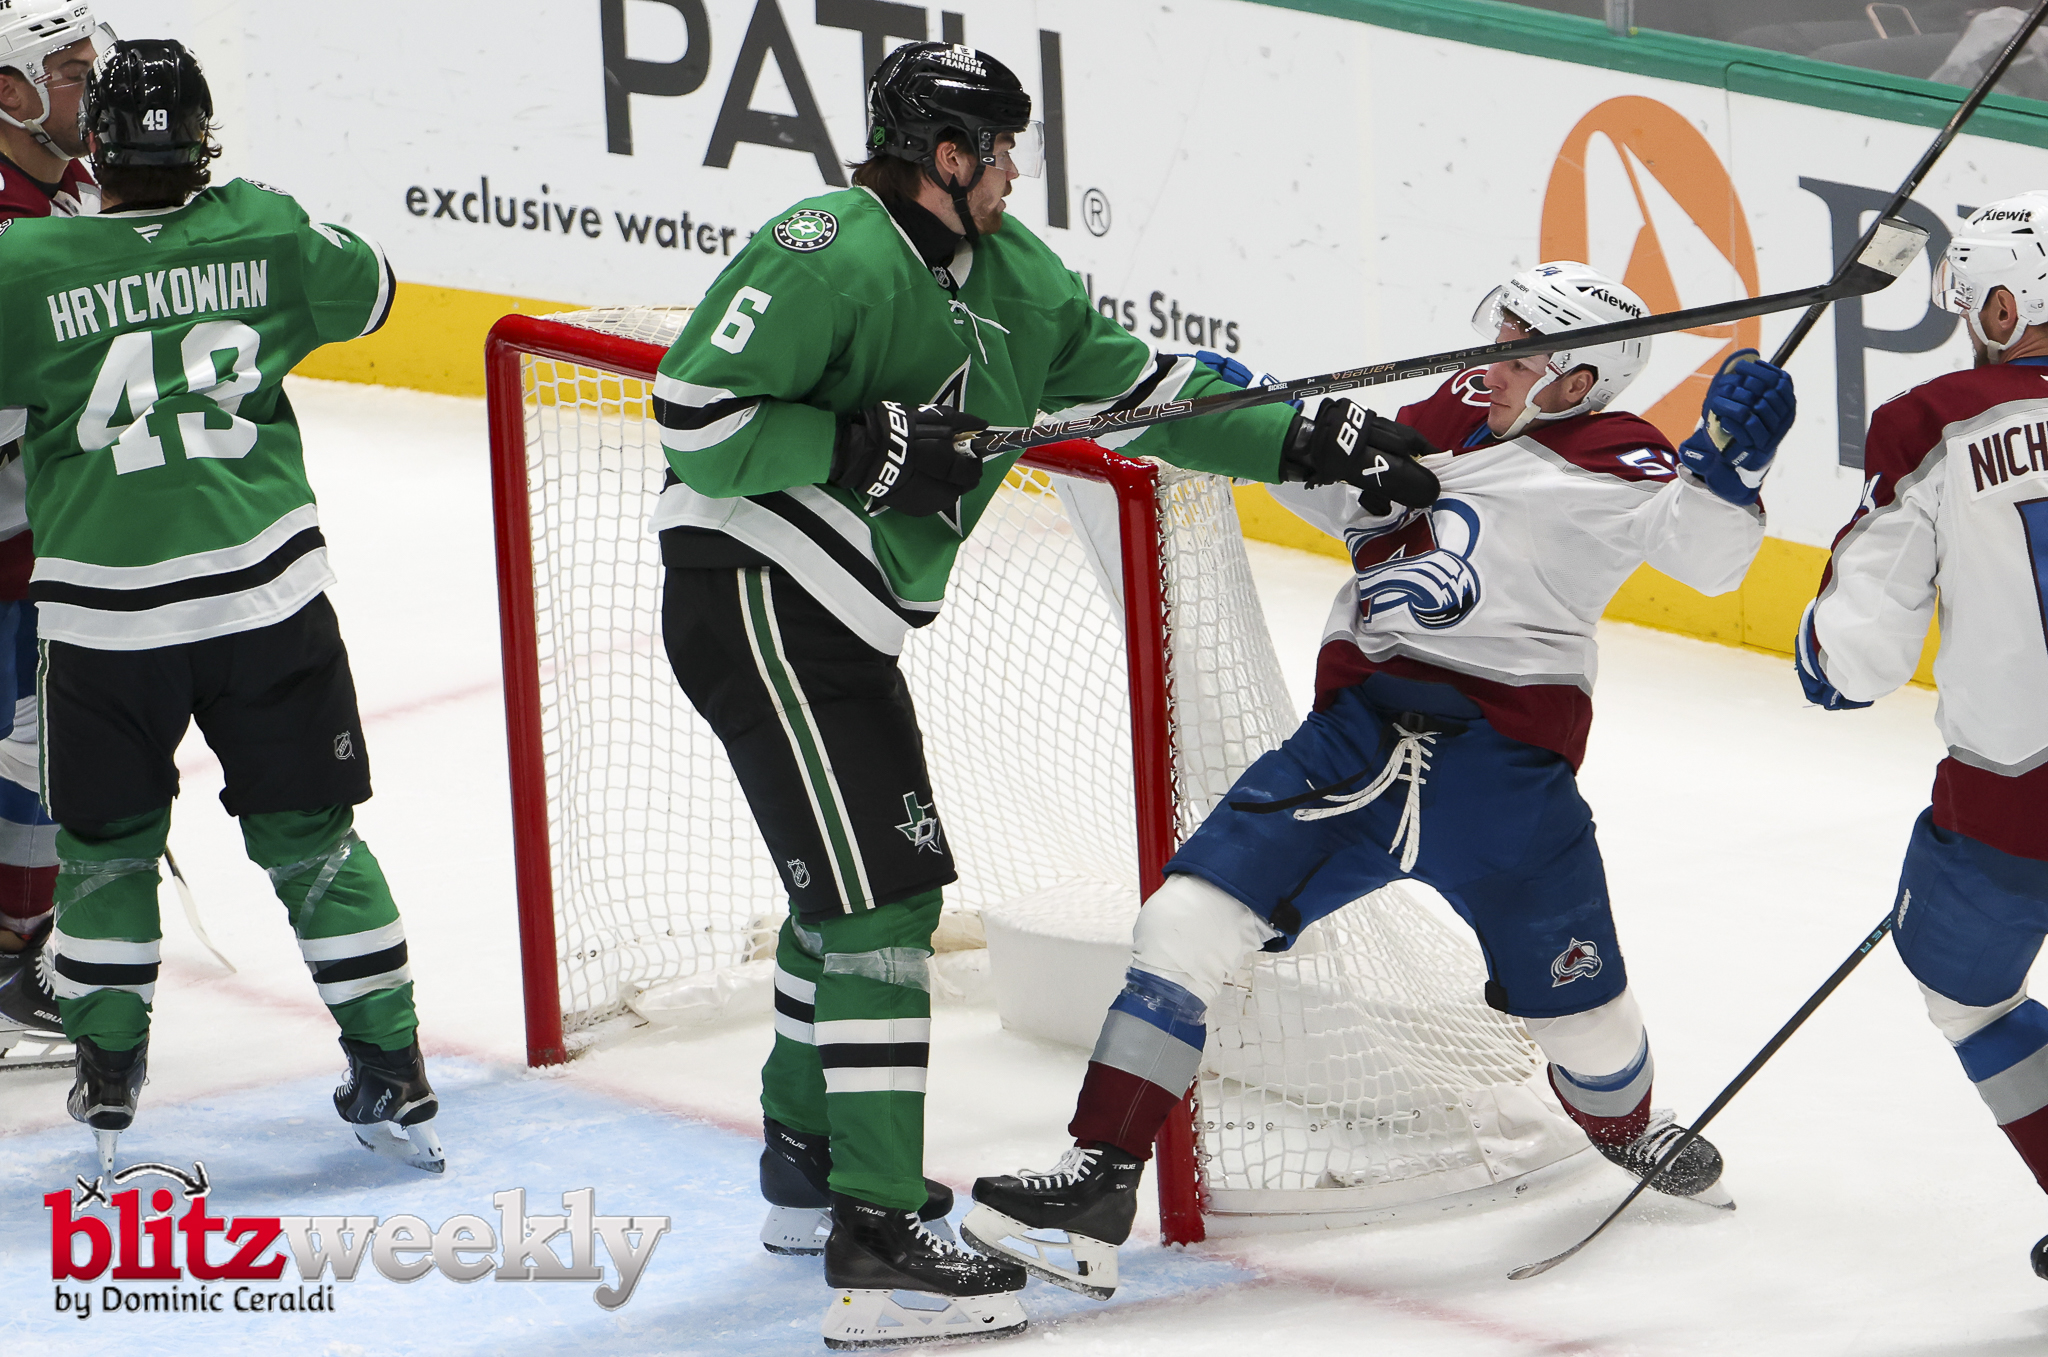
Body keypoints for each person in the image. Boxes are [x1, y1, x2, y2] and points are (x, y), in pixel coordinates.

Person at [651, 38, 1436, 1349]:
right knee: (881, 903)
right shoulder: (822, 248)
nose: (1016, 169)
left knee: (843, 887)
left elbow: (1153, 398)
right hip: (757, 592)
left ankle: (806, 1157)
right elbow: (697, 418)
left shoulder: (1020, 280)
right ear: (944, 155)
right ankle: (877, 1239)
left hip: (838, 623)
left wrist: (1306, 433)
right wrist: (865, 447)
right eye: (1001, 149)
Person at [961, 263, 1798, 1297]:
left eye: (1522, 350)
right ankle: (1097, 1178)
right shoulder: (1434, 423)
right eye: (1499, 335)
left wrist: (1731, 468)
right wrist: (1225, 407)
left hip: (1505, 784)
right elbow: (1292, 461)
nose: (1493, 359)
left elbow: (1704, 556)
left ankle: (1624, 1128)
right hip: (1350, 747)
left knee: (1587, 1028)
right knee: (1181, 924)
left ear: (1578, 382)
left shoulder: (1608, 458)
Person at [0, 40, 441, 1178]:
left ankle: (107, 1078)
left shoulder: (22, 261)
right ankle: (392, 1067)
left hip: (106, 620)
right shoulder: (266, 224)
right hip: (268, 600)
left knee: (106, 853)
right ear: (203, 140)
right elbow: (375, 289)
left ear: (96, 144)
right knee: (315, 845)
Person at [1795, 191, 2048, 1281]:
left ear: (2003, 303)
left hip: (2011, 808)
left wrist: (1817, 655)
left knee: (1966, 990)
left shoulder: (1933, 422)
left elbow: (1856, 661)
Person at [0, 0, 104, 1051]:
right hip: (10, 544)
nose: (93, 86)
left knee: (37, 752)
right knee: (27, 751)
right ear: (9, 92)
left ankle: (16, 947)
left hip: (45, 543)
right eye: (70, 71)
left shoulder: (77, 185)